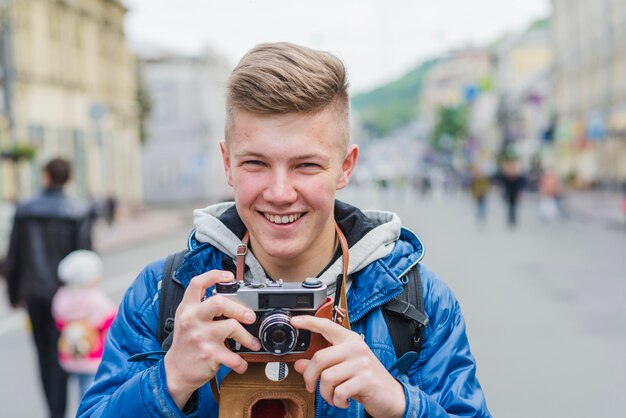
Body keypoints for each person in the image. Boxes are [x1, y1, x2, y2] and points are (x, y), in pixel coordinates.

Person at [79, 42, 490, 417]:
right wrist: (167, 380)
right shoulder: (163, 295)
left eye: (306, 165)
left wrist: (399, 404)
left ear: (345, 167)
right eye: (255, 163)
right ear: (227, 164)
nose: (279, 193)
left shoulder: (416, 303)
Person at [5, 157, 93, 418]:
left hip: (36, 295)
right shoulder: (77, 211)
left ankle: (55, 412)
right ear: (68, 178)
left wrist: (13, 295)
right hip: (69, 297)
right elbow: (86, 259)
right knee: (75, 354)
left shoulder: (25, 210)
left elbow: (14, 257)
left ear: (45, 176)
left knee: (45, 357)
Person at [52, 250, 117, 400]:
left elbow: (59, 321)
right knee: (91, 392)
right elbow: (110, 320)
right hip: (94, 355)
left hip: (70, 355)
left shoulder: (62, 296)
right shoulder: (95, 298)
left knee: (79, 388)